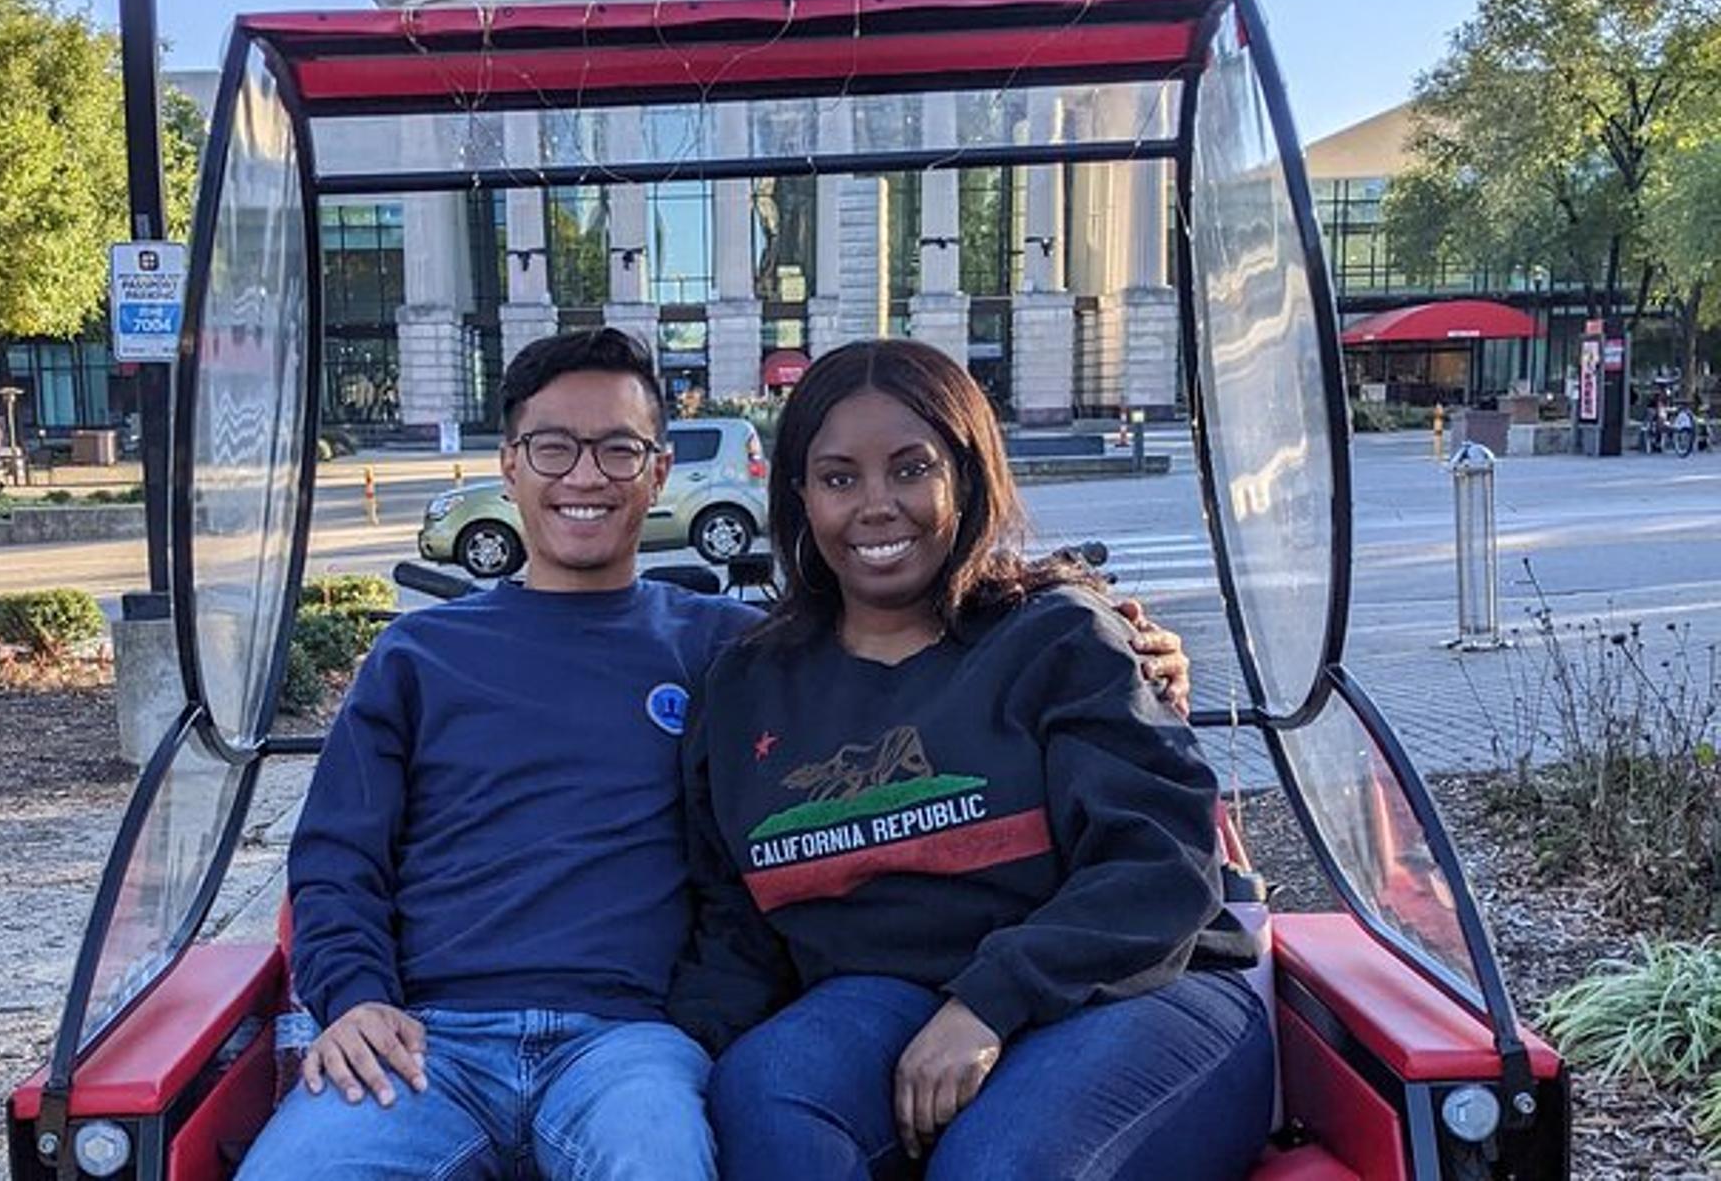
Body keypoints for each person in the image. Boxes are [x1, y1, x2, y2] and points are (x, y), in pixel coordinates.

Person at [239, 329, 1196, 1181]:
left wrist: (1130, 646)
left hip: (624, 1044)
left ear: (658, 472)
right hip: (424, 1039)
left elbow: (925, 629)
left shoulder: (725, 648)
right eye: (553, 447)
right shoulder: (422, 655)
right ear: (508, 466)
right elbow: (335, 857)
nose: (586, 474)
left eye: (618, 447)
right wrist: (355, 996)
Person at [669, 339, 1273, 1181]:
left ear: (967, 472)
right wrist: (665, 1063)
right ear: (799, 496)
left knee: (1000, 1166)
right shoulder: (746, 689)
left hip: (1133, 984)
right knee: (763, 1102)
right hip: (880, 1000)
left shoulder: (1058, 637)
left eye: (910, 469)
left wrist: (988, 1001)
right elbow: (736, 931)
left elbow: (1160, 864)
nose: (877, 505)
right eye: (840, 477)